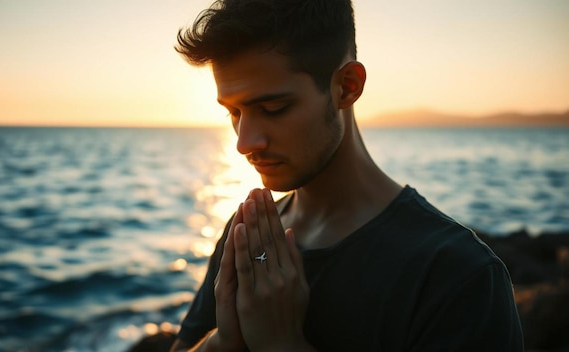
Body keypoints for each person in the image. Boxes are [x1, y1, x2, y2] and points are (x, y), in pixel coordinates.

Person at [170, 0, 524, 351]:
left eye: (272, 109)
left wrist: (282, 345)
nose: (245, 143)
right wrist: (222, 343)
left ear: (347, 86)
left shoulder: (458, 274)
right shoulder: (248, 234)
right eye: (233, 111)